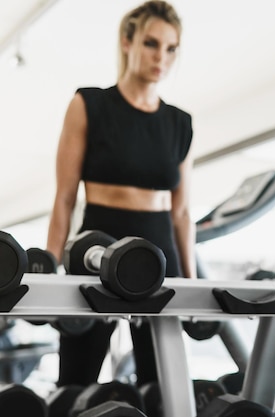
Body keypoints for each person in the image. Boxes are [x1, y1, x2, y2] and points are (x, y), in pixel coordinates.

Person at [46, 0, 196, 388]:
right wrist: (48, 270)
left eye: (171, 48)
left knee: (162, 388)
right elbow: (64, 197)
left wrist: (195, 286)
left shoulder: (180, 124)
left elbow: (181, 214)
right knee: (75, 384)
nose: (161, 56)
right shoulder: (88, 105)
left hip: (160, 256)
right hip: (96, 250)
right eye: (151, 43)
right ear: (127, 42)